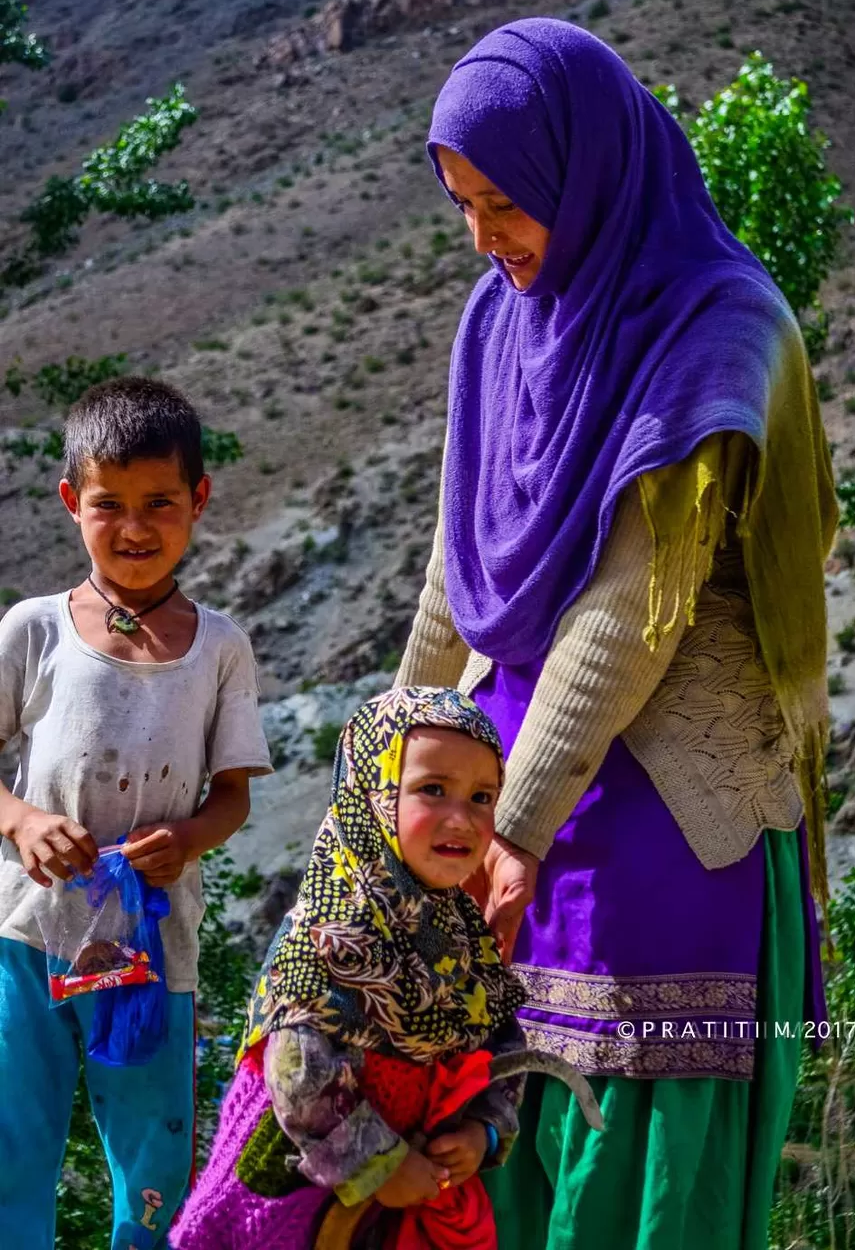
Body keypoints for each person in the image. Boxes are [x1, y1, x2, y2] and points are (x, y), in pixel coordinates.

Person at [394, 18, 839, 1250]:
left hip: (662, 842)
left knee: (641, 1188)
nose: (485, 239)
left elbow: (629, 611)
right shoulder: (501, 325)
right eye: (463, 206)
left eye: (506, 203)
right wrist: (382, 778)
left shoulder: (720, 327)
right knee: (490, 1163)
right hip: (505, 828)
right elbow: (458, 573)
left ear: (584, 174)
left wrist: (516, 831)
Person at [0, 377, 273, 1250]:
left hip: (152, 950)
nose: (134, 527)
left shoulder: (220, 647)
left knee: (150, 1173)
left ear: (198, 499)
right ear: (71, 502)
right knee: (13, 1152)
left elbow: (232, 794)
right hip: (27, 934)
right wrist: (20, 822)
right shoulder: (33, 631)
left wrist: (187, 837)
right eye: (108, 504)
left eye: (160, 502)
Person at [170, 686, 528, 1250]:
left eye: (482, 797)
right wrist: (379, 1164)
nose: (461, 819)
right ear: (373, 794)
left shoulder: (463, 939)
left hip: (398, 1203)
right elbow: (297, 1073)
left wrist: (482, 1131)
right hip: (294, 1192)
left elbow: (502, 1046)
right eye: (432, 790)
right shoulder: (328, 931)